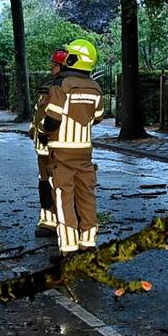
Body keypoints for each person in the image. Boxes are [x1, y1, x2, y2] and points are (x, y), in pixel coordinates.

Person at [39, 39, 105, 255]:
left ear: (73, 58)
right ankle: (88, 242)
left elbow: (52, 120)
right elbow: (98, 117)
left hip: (62, 153)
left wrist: (41, 131)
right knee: (87, 196)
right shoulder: (95, 87)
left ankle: (68, 247)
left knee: (64, 197)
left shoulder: (61, 85)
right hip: (84, 152)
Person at [31, 49, 66, 237]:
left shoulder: (54, 90)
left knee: (52, 184)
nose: (50, 67)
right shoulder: (50, 88)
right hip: (47, 146)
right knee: (47, 184)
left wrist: (40, 132)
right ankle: (51, 221)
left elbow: (46, 116)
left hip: (51, 146)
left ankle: (53, 223)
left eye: (53, 64)